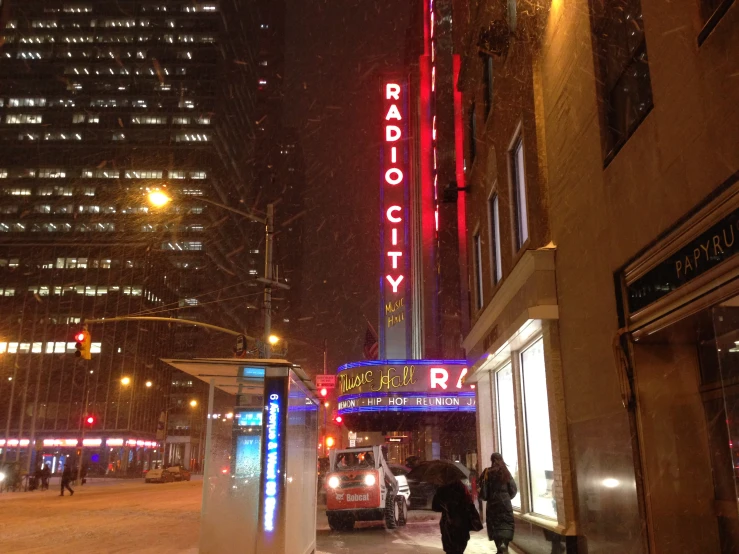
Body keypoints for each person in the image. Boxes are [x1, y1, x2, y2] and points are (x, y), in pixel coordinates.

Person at [479, 453, 517, 553]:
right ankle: (504, 544)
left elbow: (483, 492)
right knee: (506, 524)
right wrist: (506, 498)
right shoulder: (506, 472)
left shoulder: (487, 472)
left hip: (493, 504)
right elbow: (513, 489)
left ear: (492, 460)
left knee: (495, 525)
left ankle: (499, 546)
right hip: (505, 504)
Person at [432, 479, 480, 554]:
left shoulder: (443, 490)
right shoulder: (463, 489)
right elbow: (469, 505)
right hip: (462, 526)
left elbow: (435, 507)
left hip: (448, 526)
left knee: (450, 550)